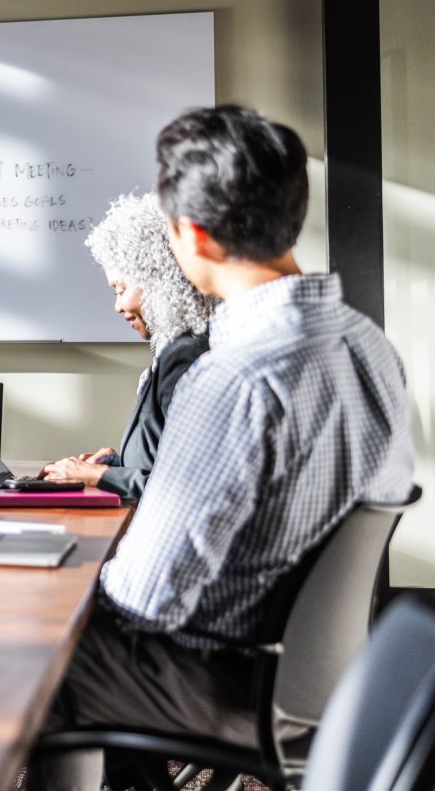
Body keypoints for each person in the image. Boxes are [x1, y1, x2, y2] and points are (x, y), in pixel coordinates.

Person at [32, 106, 416, 791]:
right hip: (325, 676)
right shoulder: (370, 345)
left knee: (38, 660)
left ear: (193, 235)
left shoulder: (234, 376)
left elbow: (146, 598)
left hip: (232, 678)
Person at [39, 192, 217, 498]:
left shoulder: (185, 355)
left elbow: (193, 485)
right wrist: (114, 463)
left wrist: (99, 475)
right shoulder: (177, 347)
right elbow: (161, 460)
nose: (118, 306)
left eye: (121, 289)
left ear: (159, 280)